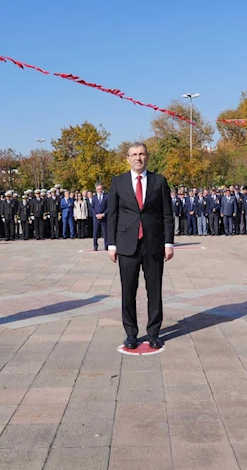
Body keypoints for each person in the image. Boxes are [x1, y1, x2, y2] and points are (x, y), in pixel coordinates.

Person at [107, 142, 174, 350]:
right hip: (127, 245)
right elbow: (112, 215)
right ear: (127, 158)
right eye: (134, 154)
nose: (138, 158)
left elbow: (167, 215)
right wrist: (111, 244)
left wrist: (168, 243)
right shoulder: (118, 182)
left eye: (142, 154)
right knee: (128, 291)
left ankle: (154, 333)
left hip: (153, 245)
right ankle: (131, 333)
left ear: (148, 157)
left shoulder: (159, 181)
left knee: (154, 290)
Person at [91, 183, 108, 250]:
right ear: (96, 190)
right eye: (98, 189)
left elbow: (108, 207)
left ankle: (106, 246)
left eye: (100, 189)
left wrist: (104, 214)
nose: (99, 190)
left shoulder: (106, 196)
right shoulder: (94, 197)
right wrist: (96, 215)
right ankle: (95, 246)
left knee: (105, 232)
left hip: (104, 217)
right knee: (95, 232)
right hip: (96, 217)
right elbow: (92, 207)